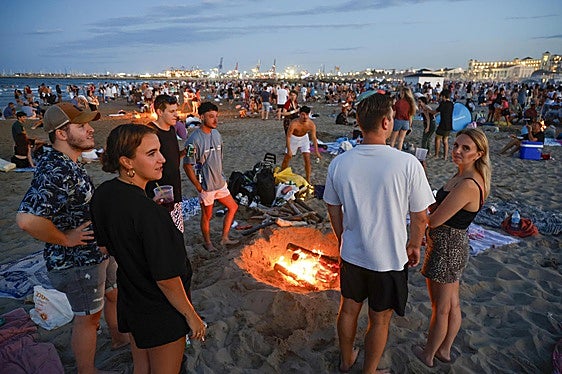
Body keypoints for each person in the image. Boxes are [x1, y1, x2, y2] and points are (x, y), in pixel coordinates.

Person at [323, 92, 435, 373]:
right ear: (387, 122)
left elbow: (332, 208)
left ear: (359, 123)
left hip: (353, 252)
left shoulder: (340, 163)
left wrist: (341, 238)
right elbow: (420, 216)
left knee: (348, 308)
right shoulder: (407, 163)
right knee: (380, 319)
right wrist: (414, 245)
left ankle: (346, 359)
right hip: (388, 256)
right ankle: (369, 370)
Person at [16, 102, 129, 374]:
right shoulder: (57, 170)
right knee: (88, 319)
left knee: (113, 295)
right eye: (82, 126)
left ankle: (118, 340)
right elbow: (26, 219)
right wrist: (65, 239)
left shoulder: (68, 162)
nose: (90, 130)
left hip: (96, 252)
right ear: (62, 134)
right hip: (77, 261)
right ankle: (86, 370)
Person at [91, 124, 206, 373]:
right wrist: (191, 315)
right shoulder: (150, 214)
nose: (163, 159)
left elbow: (104, 247)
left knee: (141, 367)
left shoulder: (104, 194)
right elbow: (166, 278)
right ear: (126, 162)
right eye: (151, 153)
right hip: (160, 310)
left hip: (131, 299)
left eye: (160, 151)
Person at [415, 128, 491, 368]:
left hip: (448, 247)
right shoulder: (460, 175)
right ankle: (444, 350)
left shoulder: (468, 184)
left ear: (478, 154)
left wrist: (426, 215)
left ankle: (428, 355)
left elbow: (435, 219)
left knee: (442, 307)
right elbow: (437, 206)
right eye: (456, 145)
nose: (457, 150)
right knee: (451, 304)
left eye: (465, 148)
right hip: (447, 244)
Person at [183, 102, 239, 251]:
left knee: (233, 207)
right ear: (202, 117)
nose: (215, 120)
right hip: (206, 186)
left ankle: (224, 238)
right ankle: (208, 243)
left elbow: (219, 157)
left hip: (220, 183)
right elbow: (187, 165)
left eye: (216, 116)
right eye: (211, 117)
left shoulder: (217, 134)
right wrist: (198, 185)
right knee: (207, 215)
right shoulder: (193, 140)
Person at [145, 94, 185, 232]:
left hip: (175, 189)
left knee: (177, 230)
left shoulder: (172, 129)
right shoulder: (150, 132)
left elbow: (171, 158)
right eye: (172, 111)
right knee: (161, 231)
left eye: (176, 111)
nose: (176, 115)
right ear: (160, 112)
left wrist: (184, 153)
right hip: (157, 191)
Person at [281, 106, 321, 183]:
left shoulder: (311, 124)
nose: (305, 117)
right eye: (303, 114)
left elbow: (314, 138)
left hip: (304, 138)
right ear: (299, 114)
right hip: (293, 138)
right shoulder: (294, 123)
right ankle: (282, 174)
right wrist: (289, 149)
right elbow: (288, 136)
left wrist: (316, 151)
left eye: (307, 114)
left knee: (307, 159)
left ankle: (308, 179)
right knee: (287, 158)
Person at [389, 86, 417, 151]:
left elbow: (394, 114)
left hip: (398, 120)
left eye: (401, 93)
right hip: (406, 122)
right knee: (401, 139)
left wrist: (393, 105)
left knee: (393, 139)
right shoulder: (411, 103)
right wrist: (410, 125)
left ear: (403, 93)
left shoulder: (398, 102)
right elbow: (410, 116)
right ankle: (399, 151)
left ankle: (391, 151)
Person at [429, 89, 454, 159]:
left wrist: (427, 109)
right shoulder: (451, 104)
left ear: (444, 96)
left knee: (437, 139)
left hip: (443, 124)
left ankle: (436, 155)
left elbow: (435, 112)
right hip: (449, 124)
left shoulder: (443, 104)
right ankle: (445, 156)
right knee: (445, 140)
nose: (441, 98)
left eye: (442, 96)